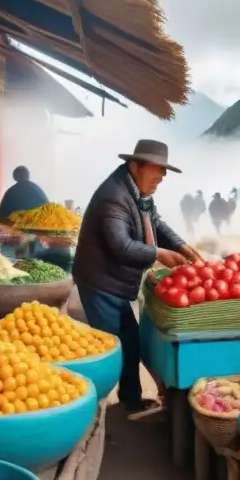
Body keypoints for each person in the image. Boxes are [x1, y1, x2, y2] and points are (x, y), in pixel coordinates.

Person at [72, 140, 202, 413]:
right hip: (100, 281)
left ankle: (130, 400)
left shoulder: (138, 192)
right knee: (110, 347)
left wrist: (182, 247)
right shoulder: (114, 196)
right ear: (135, 166)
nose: (160, 180)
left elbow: (157, 223)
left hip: (115, 281)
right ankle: (92, 409)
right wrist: (159, 254)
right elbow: (120, 245)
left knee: (130, 342)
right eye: (156, 173)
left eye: (162, 175)